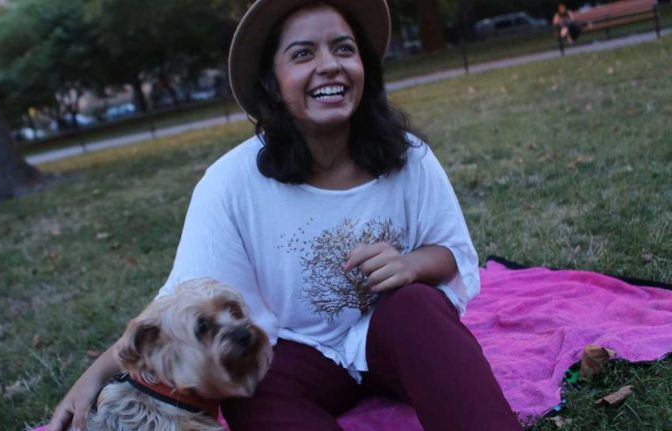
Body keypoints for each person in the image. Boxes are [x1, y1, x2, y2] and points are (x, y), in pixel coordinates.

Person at [49, 1, 522, 430]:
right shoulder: (230, 184)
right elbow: (179, 301)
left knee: (417, 306)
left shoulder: (410, 158)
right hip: (294, 361)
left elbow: (454, 254)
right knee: (247, 382)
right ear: (271, 85)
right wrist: (95, 375)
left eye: (343, 49)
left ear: (364, 68)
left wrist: (410, 265)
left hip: (395, 346)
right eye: (302, 54)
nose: (329, 65)